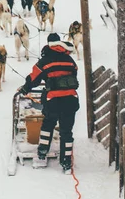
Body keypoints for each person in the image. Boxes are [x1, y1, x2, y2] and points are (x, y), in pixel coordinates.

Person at [17, 32, 80, 172]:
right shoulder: (70, 60)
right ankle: (66, 162)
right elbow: (74, 75)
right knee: (66, 131)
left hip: (53, 100)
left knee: (48, 125)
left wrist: (24, 89)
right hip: (71, 99)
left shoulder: (45, 61)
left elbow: (34, 78)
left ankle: (42, 151)